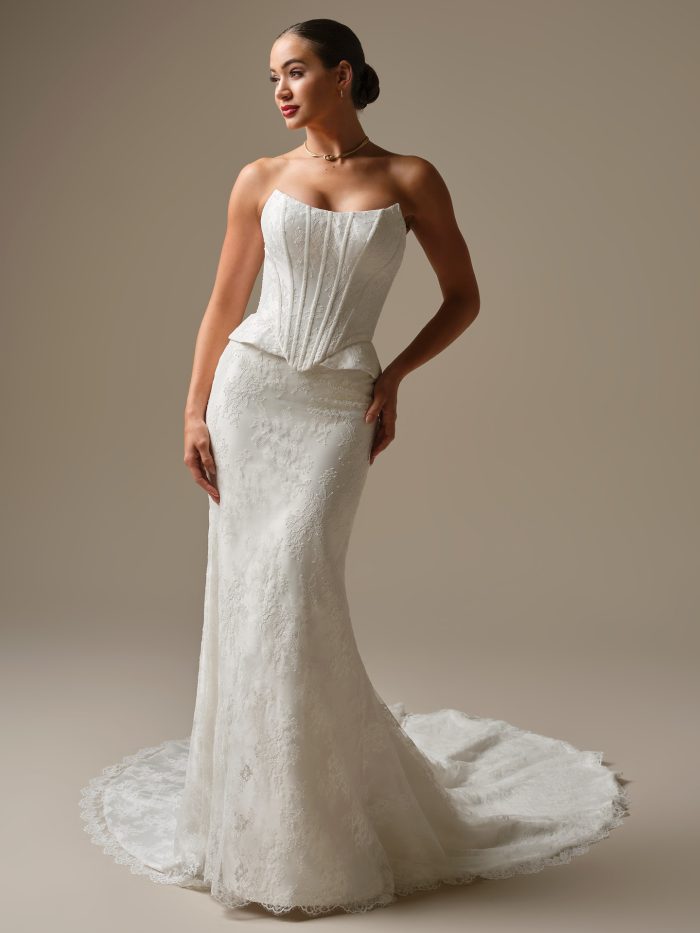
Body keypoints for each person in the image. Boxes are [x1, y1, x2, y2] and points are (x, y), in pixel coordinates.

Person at [79, 18, 630, 917]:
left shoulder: (411, 177)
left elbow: (465, 297)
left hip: (339, 401)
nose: (281, 91)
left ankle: (320, 822)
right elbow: (225, 303)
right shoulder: (259, 179)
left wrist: (397, 374)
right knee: (252, 592)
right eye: (271, 79)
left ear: (344, 73)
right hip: (249, 393)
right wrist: (191, 407)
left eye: (295, 71)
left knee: (297, 584)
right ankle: (258, 820)